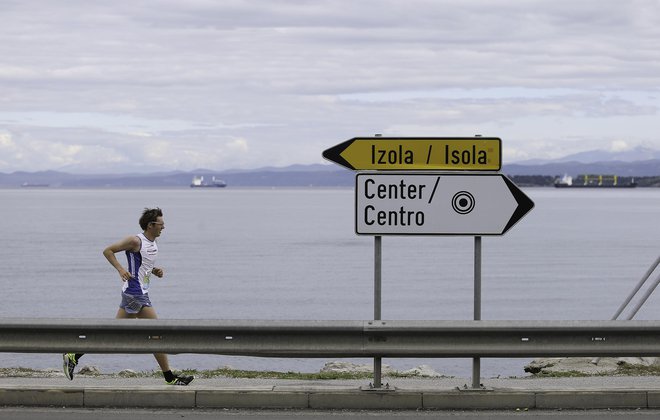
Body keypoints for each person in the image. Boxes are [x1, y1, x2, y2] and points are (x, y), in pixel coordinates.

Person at [63, 208, 193, 386]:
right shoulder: (135, 240)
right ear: (151, 225)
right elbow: (108, 251)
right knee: (157, 333)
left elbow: (142, 265)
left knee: (114, 335)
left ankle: (74, 355)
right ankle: (169, 377)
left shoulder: (152, 243)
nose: (164, 227)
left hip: (137, 292)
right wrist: (120, 269)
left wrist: (154, 271)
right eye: (161, 224)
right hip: (135, 294)